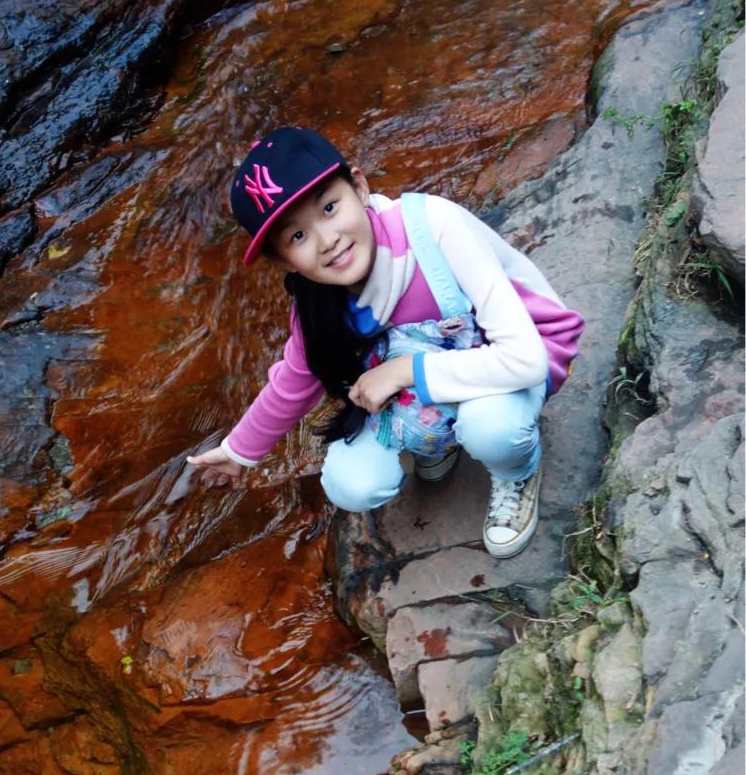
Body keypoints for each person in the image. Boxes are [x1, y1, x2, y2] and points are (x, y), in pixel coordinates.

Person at [187, 127, 584, 558]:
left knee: (492, 429)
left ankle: (517, 470)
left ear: (359, 187)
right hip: (434, 366)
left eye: (330, 208)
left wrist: (401, 372)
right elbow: (295, 381)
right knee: (350, 483)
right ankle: (437, 436)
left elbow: (523, 359)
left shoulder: (434, 226)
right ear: (284, 261)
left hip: (523, 354)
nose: (328, 240)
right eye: (297, 236)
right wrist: (239, 451)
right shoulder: (316, 298)